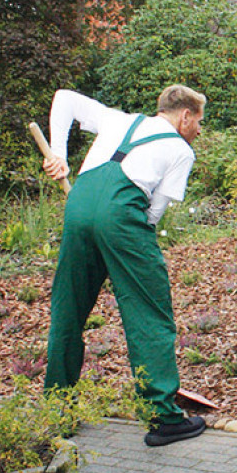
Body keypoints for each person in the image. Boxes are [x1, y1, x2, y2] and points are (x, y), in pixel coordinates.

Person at [42, 85, 208, 447]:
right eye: (198, 122)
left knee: (68, 309)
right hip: (122, 214)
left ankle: (56, 412)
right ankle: (162, 417)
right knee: (148, 311)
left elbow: (64, 99)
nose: (198, 130)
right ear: (184, 116)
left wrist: (59, 154)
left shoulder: (118, 119)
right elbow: (153, 214)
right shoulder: (181, 150)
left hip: (79, 206)